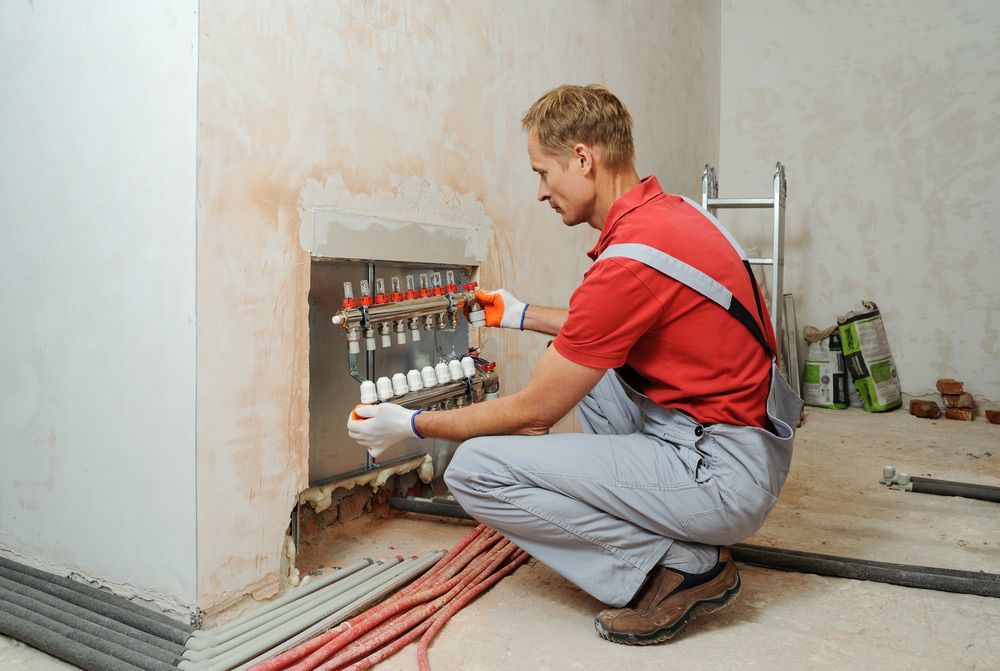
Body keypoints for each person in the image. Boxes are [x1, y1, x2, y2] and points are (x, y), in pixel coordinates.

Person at [348, 84, 802, 645]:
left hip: (722, 475)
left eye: (543, 172)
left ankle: (682, 565)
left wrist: (409, 425)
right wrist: (518, 315)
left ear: (583, 159)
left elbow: (533, 409)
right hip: (739, 439)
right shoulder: (671, 217)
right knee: (577, 364)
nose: (541, 192)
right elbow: (605, 327)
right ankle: (679, 527)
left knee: (475, 469)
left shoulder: (630, 261)